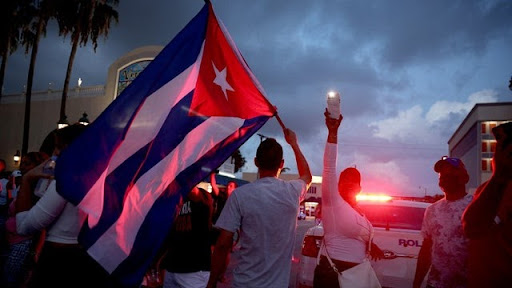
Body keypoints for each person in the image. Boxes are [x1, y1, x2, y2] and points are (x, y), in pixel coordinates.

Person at [207, 127, 312, 288]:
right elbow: (307, 176)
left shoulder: (240, 195)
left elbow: (222, 245)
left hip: (244, 283)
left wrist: (212, 282)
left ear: (256, 162)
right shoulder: (292, 191)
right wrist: (294, 144)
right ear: (281, 164)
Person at [15, 124, 109, 287]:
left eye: (58, 147)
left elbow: (24, 227)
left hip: (60, 260)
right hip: (87, 256)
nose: (54, 154)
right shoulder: (98, 177)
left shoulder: (66, 181)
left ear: (71, 149)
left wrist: (27, 179)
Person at [313, 110, 383, 288]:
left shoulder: (360, 213)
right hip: (333, 278)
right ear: (337, 185)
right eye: (345, 181)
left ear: (359, 188)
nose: (349, 185)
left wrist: (370, 243)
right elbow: (328, 168)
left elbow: (355, 232)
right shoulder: (333, 204)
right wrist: (333, 133)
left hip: (355, 278)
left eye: (354, 182)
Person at [462, 121, 512, 287]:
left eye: (504, 144)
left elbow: (473, 227)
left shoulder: (498, 183)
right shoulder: (488, 189)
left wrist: (500, 176)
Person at [413, 156, 473, 288]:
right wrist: (416, 283)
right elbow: (426, 248)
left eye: (451, 173)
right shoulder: (431, 210)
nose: (445, 177)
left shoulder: (476, 207)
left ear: (465, 178)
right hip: (435, 284)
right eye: (442, 175)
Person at [2, 152, 44, 288]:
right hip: (10, 240)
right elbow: (13, 208)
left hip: (23, 243)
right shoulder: (23, 186)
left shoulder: (38, 191)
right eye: (22, 164)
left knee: (11, 280)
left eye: (27, 164)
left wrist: (36, 251)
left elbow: (43, 225)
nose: (22, 167)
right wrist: (10, 189)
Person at [159, 186, 213, 288]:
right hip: (172, 267)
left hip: (193, 271)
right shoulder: (174, 200)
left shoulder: (202, 197)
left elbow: (193, 190)